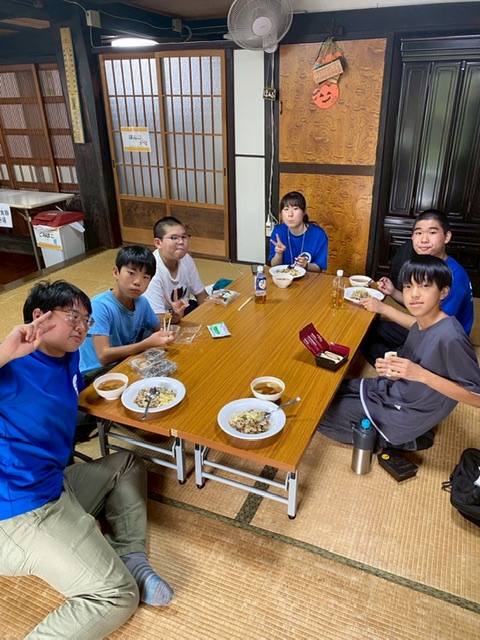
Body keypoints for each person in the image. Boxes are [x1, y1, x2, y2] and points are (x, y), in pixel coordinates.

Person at [0, 280, 173, 638]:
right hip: (18, 514)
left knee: (127, 463)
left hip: (54, 485)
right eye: (72, 316)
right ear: (39, 316)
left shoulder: (68, 356)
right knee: (118, 596)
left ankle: (131, 556)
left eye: (86, 319)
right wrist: (4, 351)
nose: (81, 326)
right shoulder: (12, 366)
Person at [318, 255, 480, 450]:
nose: (414, 294)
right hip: (396, 392)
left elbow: (477, 397)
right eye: (408, 286)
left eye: (425, 286)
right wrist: (393, 370)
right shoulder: (422, 323)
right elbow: (412, 368)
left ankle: (403, 440)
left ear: (443, 292)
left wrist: (422, 375)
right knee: (326, 390)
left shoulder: (451, 337)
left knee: (319, 414)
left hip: (407, 412)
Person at [361, 209, 473, 364]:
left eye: (432, 233)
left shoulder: (453, 276)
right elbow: (424, 305)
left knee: (371, 347)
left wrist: (384, 309)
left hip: (444, 343)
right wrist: (393, 292)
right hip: (428, 328)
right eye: (418, 233)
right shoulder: (426, 265)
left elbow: (434, 327)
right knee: (373, 329)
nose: (424, 239)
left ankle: (407, 365)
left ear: (447, 237)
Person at [79, 245, 174, 376]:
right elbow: (103, 356)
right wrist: (146, 344)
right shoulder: (99, 306)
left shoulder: (141, 302)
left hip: (127, 361)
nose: (137, 282)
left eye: (145, 277)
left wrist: (175, 315)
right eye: (131, 273)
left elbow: (159, 329)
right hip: (96, 372)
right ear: (116, 272)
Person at [144, 216, 208, 324]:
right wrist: (175, 317)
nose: (181, 241)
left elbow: (201, 295)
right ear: (158, 243)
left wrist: (211, 318)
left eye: (184, 237)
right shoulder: (151, 269)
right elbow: (157, 323)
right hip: (160, 320)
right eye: (174, 238)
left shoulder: (186, 258)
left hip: (182, 311)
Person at [268, 191, 328, 272]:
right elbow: (274, 266)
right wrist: (279, 254)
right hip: (283, 277)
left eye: (295, 209)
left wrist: (306, 265)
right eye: (286, 209)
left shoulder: (318, 235)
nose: (290, 214)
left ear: (304, 211)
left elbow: (319, 268)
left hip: (309, 278)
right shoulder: (278, 232)